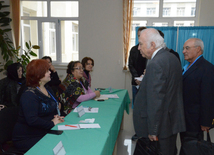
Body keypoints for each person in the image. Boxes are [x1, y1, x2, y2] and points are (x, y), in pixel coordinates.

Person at [133, 28, 186, 155]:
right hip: (170, 121)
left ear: (152, 44)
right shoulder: (171, 57)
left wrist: (153, 130)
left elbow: (156, 100)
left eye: (140, 44)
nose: (138, 48)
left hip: (161, 125)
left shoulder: (156, 63)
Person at [12, 59, 64, 152]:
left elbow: (53, 106)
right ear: (38, 74)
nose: (50, 72)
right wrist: (52, 123)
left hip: (42, 131)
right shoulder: (29, 94)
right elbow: (32, 120)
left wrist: (56, 117)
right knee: (56, 146)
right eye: (47, 71)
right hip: (27, 137)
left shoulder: (47, 88)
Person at [180, 38, 214, 145]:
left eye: (187, 48)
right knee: (185, 145)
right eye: (183, 48)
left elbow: (208, 97)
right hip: (185, 117)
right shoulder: (187, 67)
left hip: (195, 120)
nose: (183, 51)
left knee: (193, 147)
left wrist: (206, 122)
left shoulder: (207, 68)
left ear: (198, 49)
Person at [128, 26, 147, 107]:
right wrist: (136, 77)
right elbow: (130, 65)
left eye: (141, 35)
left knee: (145, 104)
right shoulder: (134, 49)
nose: (140, 37)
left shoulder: (149, 49)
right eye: (138, 35)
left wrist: (143, 77)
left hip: (146, 81)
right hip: (135, 81)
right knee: (136, 104)